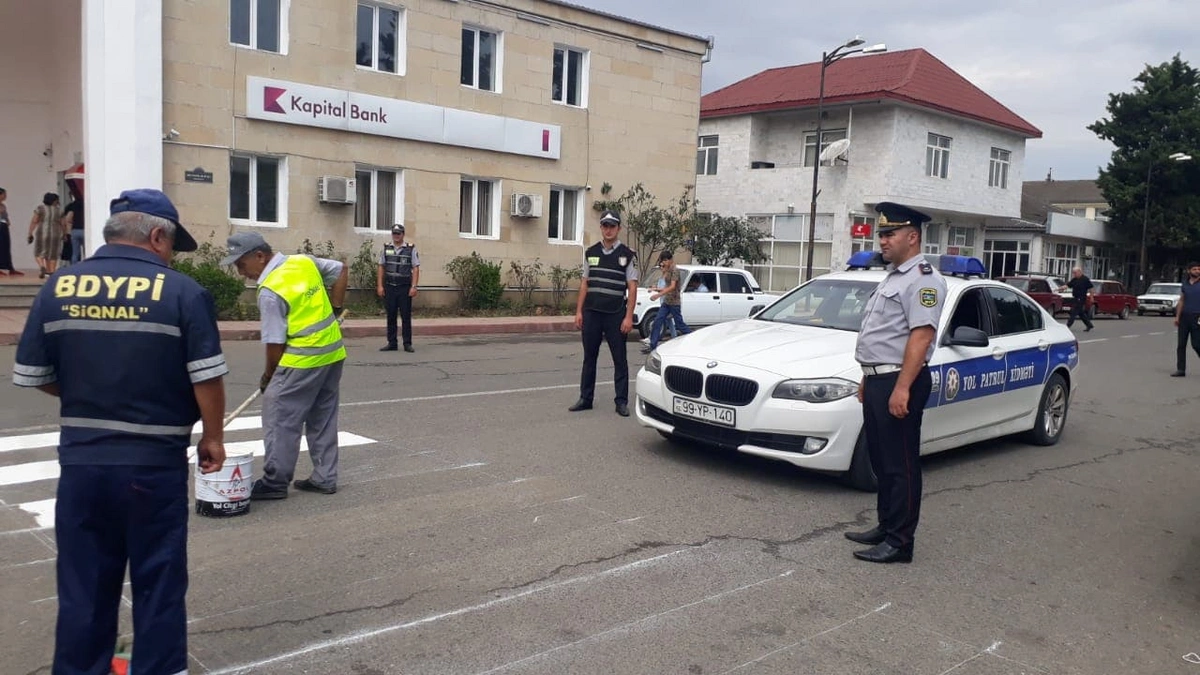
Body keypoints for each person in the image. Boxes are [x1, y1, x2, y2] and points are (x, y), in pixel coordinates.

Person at [12, 188, 228, 673]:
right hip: (153, 466)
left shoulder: (58, 286)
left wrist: (92, 394)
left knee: (84, 583)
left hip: (84, 464)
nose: (170, 255)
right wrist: (212, 437)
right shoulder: (183, 292)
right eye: (172, 244)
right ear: (156, 236)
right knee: (158, 579)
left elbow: (33, 376)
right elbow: (206, 377)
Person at [844, 201, 946, 564]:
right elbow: (884, 335)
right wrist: (866, 377)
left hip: (900, 381)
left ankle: (901, 542)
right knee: (882, 459)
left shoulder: (924, 280)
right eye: (881, 234)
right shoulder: (896, 277)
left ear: (912, 236)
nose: (882, 241)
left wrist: (902, 387)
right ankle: (886, 526)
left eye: (889, 234)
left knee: (900, 464)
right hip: (879, 379)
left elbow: (920, 337)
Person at [222, 231, 349, 499]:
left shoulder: (270, 290)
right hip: (332, 353)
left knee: (279, 417)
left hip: (301, 360)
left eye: (241, 265)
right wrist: (336, 307)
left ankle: (275, 482)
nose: (240, 272)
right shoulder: (302, 262)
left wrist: (269, 377)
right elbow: (340, 270)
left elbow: (275, 344)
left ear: (259, 256)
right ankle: (325, 477)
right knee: (322, 416)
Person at [569, 209, 638, 417]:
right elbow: (584, 284)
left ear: (618, 228)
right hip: (592, 314)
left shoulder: (627, 255)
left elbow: (632, 287)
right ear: (601, 227)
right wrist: (578, 312)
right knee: (589, 357)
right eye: (605, 226)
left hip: (615, 314)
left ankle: (621, 401)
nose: (608, 230)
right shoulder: (591, 253)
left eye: (612, 226)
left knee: (620, 359)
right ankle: (585, 398)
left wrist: (628, 316)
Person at [376, 223, 419, 352]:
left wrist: (414, 287)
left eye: (398, 234)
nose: (396, 236)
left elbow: (416, 268)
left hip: (404, 287)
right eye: (394, 233)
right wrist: (379, 286)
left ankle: (407, 343)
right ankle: (392, 342)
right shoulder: (386, 248)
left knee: (405, 316)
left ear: (403, 235)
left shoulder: (410, 249)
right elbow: (381, 267)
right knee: (391, 315)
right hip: (390, 287)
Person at [642, 250, 691, 354]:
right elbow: (664, 285)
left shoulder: (675, 270)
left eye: (665, 260)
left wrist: (658, 295)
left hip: (674, 302)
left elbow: (672, 287)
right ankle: (652, 346)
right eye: (662, 260)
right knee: (657, 321)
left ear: (670, 260)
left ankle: (693, 338)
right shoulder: (668, 270)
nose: (663, 263)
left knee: (679, 325)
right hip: (667, 302)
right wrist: (656, 289)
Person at [1171, 261, 1200, 377]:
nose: (1197, 271)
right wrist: (1177, 317)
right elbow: (1182, 300)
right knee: (1181, 344)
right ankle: (1181, 369)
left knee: (1196, 344)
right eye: (1194, 269)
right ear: (1189, 271)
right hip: (1184, 317)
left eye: (1199, 269)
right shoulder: (1185, 284)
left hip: (1197, 316)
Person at [28, 191, 63, 278]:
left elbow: (34, 221)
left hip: (42, 233)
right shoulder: (59, 211)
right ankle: (51, 272)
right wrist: (65, 234)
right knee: (52, 254)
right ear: (54, 201)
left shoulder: (40, 209)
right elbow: (63, 224)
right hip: (55, 234)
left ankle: (42, 266)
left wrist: (30, 232)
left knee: (39, 252)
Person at [1060, 267, 1094, 332]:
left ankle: (1068, 325)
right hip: (1075, 297)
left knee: (1074, 311)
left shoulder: (1085, 279)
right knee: (1081, 313)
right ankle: (1089, 324)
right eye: (1073, 273)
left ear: (1079, 272)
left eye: (1075, 273)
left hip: (1081, 298)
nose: (1074, 274)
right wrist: (1061, 288)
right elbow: (1068, 285)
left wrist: (1092, 297)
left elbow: (1091, 288)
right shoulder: (1074, 279)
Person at [61, 181, 86, 264]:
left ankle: (74, 267)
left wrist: (70, 224)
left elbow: (68, 218)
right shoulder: (86, 204)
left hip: (74, 230)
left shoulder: (71, 205)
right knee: (87, 252)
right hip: (85, 230)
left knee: (75, 253)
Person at [0, 187, 21, 275]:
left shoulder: (3, 205)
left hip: (3, 226)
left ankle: (10, 267)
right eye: (4, 194)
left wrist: (7, 221)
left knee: (6, 246)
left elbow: (5, 216)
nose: (5, 196)